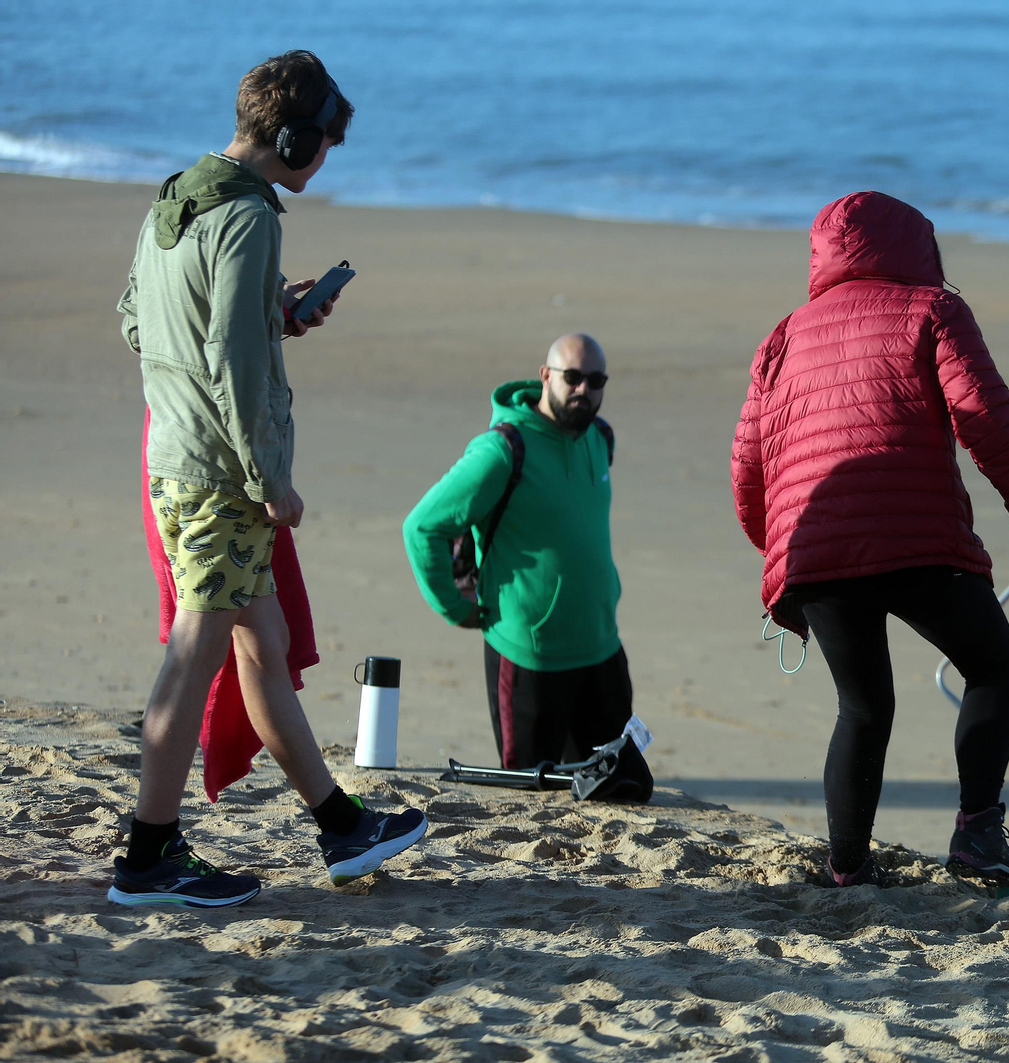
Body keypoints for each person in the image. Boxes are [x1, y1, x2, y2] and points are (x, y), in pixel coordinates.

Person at [113, 51, 426, 908]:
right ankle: (147, 858)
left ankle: (340, 823)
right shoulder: (250, 219)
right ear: (292, 137)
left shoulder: (179, 193)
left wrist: (269, 311)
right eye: (322, 143)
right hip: (221, 476)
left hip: (173, 456)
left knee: (266, 644)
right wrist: (267, 478)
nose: (323, 159)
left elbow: (140, 319)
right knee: (194, 653)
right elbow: (238, 365)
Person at [731, 190, 1009, 888]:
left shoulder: (783, 335)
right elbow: (986, 417)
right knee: (992, 664)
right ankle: (978, 832)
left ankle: (849, 865)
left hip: (814, 546)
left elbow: (748, 461)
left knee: (862, 705)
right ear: (917, 248)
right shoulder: (933, 309)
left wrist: (780, 550)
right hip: (914, 534)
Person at [402, 334, 652, 801]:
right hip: (529, 656)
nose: (584, 390)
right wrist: (455, 607)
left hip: (601, 650)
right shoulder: (501, 451)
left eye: (596, 380)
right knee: (532, 799)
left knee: (622, 790)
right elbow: (422, 527)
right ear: (545, 376)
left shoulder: (600, 438)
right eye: (572, 377)